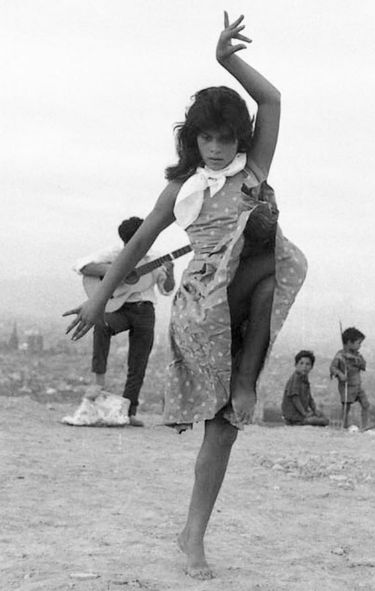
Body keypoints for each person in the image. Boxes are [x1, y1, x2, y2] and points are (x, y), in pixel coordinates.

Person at [64, 13, 307, 579]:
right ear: (192, 138)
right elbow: (141, 244)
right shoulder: (183, 189)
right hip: (204, 305)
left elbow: (270, 102)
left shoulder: (254, 171)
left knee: (223, 429)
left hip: (248, 301)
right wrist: (100, 302)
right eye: (207, 137)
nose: (217, 148)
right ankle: (240, 389)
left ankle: (192, 535)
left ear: (239, 140)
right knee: (267, 261)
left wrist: (226, 60)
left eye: (226, 138)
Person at [74, 216, 175, 426]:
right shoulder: (114, 253)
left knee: (138, 361)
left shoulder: (154, 258)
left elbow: (166, 290)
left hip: (144, 310)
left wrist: (171, 271)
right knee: (101, 325)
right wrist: (115, 272)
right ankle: (98, 380)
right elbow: (82, 266)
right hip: (118, 307)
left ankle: (129, 412)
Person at [330, 326, 369, 429]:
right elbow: (333, 368)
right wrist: (340, 374)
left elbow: (363, 366)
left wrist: (357, 361)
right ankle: (343, 426)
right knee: (346, 408)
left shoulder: (357, 356)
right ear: (349, 342)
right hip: (347, 386)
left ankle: (364, 426)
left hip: (357, 385)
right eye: (358, 343)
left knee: (365, 404)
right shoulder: (340, 356)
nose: (360, 346)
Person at [281, 350, 329, 426]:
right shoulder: (295, 378)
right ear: (296, 365)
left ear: (311, 367)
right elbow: (295, 398)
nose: (304, 367)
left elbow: (309, 397)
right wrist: (304, 413)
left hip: (301, 414)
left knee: (324, 418)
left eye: (307, 364)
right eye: (301, 363)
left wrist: (314, 410)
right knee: (322, 421)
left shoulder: (304, 379)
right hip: (294, 417)